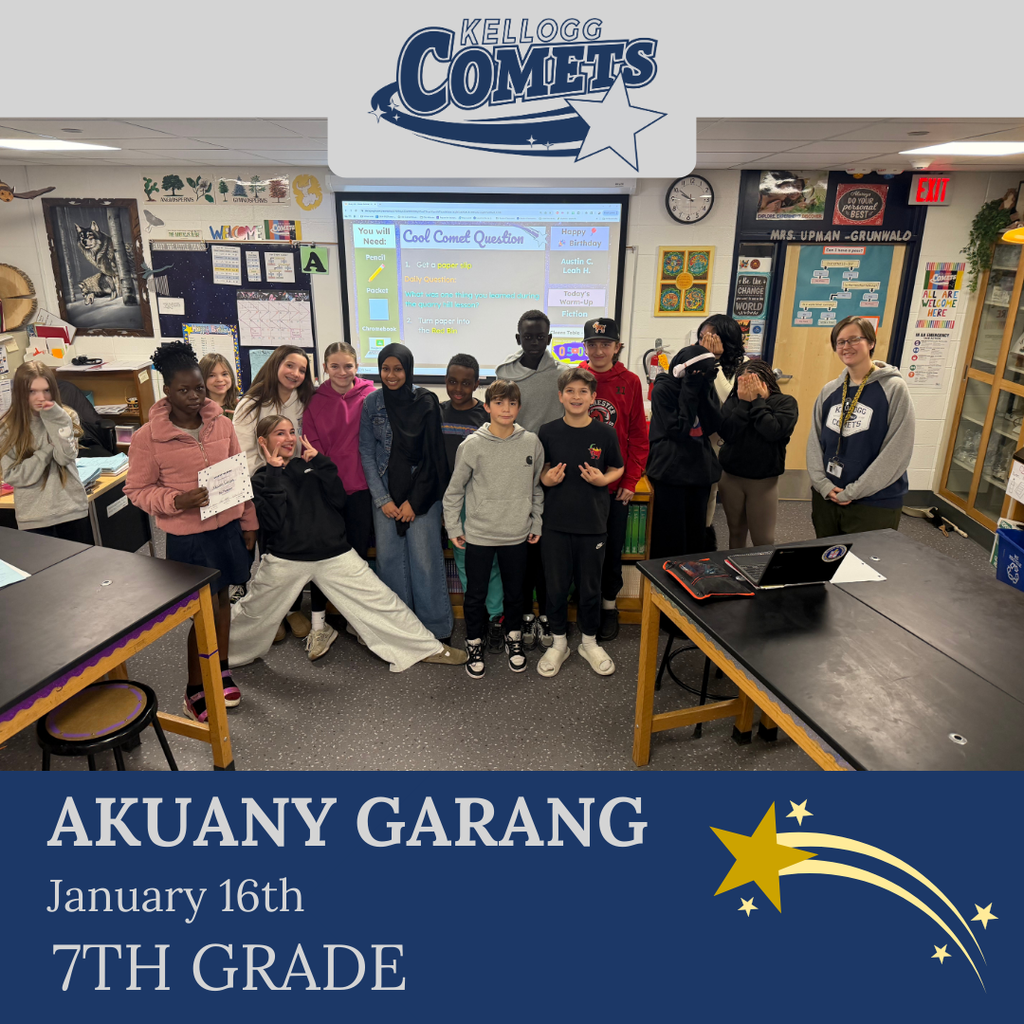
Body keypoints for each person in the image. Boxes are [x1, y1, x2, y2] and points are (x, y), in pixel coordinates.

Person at [229, 415, 467, 669]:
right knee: (253, 612)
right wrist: (275, 471)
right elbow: (273, 522)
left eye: (291, 432)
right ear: (263, 441)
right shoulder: (261, 478)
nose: (288, 439)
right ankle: (222, 655)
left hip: (333, 553)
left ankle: (425, 648)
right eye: (280, 433)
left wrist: (322, 463)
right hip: (286, 558)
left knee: (381, 601)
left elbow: (339, 500)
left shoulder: (312, 465)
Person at [125, 341, 258, 723]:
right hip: (189, 537)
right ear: (166, 391)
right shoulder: (148, 438)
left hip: (227, 529)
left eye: (199, 388)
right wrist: (177, 501)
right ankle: (194, 688)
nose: (195, 396)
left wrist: (248, 521)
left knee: (222, 604)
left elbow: (239, 477)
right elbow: (136, 491)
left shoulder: (223, 424)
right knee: (200, 615)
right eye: (184, 390)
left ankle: (222, 668)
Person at [443, 378, 544, 678]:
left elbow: (536, 488)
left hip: (516, 533)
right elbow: (454, 491)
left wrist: (535, 520)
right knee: (475, 594)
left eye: (512, 403)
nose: (506, 408)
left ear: (519, 407)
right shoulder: (472, 445)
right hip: (479, 534)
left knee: (515, 593)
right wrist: (452, 527)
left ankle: (514, 638)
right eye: (499, 402)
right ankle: (474, 641)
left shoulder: (531, 442)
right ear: (486, 407)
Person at [359, 343, 453, 641]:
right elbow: (367, 452)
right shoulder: (372, 404)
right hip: (385, 486)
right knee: (389, 562)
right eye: (385, 368)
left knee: (425, 559)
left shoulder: (426, 400)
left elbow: (434, 457)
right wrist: (382, 498)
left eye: (397, 368)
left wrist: (414, 501)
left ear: (408, 369)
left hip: (422, 488)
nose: (391, 375)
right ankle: (399, 629)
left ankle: (435, 630)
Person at [537, 366, 623, 678]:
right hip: (556, 524)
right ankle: (559, 642)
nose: (576, 396)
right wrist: (547, 478)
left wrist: (604, 481)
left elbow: (618, 468)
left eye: (583, 391)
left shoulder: (605, 433)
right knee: (556, 587)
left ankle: (589, 641)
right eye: (570, 391)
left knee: (590, 586)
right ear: (560, 396)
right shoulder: (547, 431)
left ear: (593, 398)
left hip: (593, 524)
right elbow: (542, 471)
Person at [233, 344, 316, 640]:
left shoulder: (301, 399)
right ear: (275, 365)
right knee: (267, 548)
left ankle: (291, 607)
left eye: (302, 370)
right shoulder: (252, 403)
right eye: (290, 366)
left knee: (288, 542)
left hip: (292, 481)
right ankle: (269, 611)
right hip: (260, 482)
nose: (295, 373)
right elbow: (241, 454)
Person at [808, 316, 915, 536]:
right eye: (840, 342)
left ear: (871, 342)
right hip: (828, 497)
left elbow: (897, 450)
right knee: (827, 564)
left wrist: (854, 491)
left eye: (854, 339)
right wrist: (823, 485)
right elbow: (814, 442)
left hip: (873, 502)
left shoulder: (893, 388)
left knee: (865, 567)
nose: (846, 347)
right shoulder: (830, 390)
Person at [647, 316, 744, 560]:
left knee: (696, 530)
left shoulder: (719, 375)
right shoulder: (666, 387)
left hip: (702, 467)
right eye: (702, 338)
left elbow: (715, 423)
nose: (705, 342)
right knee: (670, 535)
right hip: (671, 469)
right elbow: (679, 429)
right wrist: (691, 385)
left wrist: (704, 381)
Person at [495, 310, 563, 649]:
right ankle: (521, 614)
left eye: (540, 336)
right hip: (515, 471)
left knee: (545, 549)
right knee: (519, 548)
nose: (534, 341)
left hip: (551, 474)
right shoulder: (505, 375)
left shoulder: (562, 376)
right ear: (518, 338)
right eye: (528, 336)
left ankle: (547, 615)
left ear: (549, 339)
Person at [579, 316, 649, 642]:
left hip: (614, 486)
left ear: (617, 347)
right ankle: (583, 602)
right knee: (579, 549)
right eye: (592, 344)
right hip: (580, 485)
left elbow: (638, 436)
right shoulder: (575, 378)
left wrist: (630, 480)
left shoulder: (631, 382)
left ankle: (609, 606)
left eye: (605, 344)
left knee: (611, 550)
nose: (599, 350)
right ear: (585, 347)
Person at [440, 352, 504, 650]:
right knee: (465, 562)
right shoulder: (437, 413)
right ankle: (475, 613)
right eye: (453, 381)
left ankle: (496, 617)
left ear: (477, 384)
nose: (458, 388)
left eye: (466, 383)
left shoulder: (487, 416)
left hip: (481, 503)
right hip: (452, 503)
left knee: (489, 564)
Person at [0, 361, 90, 542]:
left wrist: (58, 419)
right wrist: (47, 449)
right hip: (34, 518)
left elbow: (65, 457)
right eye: (32, 391)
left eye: (46, 390)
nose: (40, 397)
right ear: (20, 393)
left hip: (72, 509)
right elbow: (13, 475)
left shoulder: (67, 416)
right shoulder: (8, 428)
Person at [302, 341, 375, 560]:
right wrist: (328, 479)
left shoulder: (371, 397)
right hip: (328, 489)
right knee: (329, 554)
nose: (342, 372)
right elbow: (312, 446)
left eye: (348, 366)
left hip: (363, 489)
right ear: (324, 367)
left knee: (358, 554)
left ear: (357, 366)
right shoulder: (314, 402)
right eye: (334, 366)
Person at [717, 359, 799, 548]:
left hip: (763, 482)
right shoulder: (734, 402)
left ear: (766, 382)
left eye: (752, 383)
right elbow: (729, 433)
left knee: (763, 539)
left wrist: (758, 402)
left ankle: (760, 576)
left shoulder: (785, 403)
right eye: (743, 383)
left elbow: (772, 432)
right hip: (731, 477)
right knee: (736, 532)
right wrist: (744, 404)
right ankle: (735, 574)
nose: (747, 388)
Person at [199, 352, 240, 419]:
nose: (219, 379)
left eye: (224, 374)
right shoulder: (196, 409)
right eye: (211, 375)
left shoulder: (240, 407)